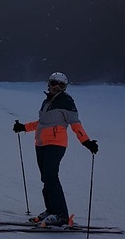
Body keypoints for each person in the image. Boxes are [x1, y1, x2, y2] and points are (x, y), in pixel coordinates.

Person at [13, 72, 98, 227]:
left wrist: (86, 142)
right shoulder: (47, 102)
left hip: (56, 144)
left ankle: (61, 215)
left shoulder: (66, 102)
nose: (56, 87)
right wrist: (23, 127)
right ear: (49, 84)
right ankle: (51, 210)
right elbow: (42, 123)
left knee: (51, 177)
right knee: (46, 178)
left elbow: (75, 123)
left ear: (65, 87)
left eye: (61, 85)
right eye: (54, 84)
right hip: (41, 144)